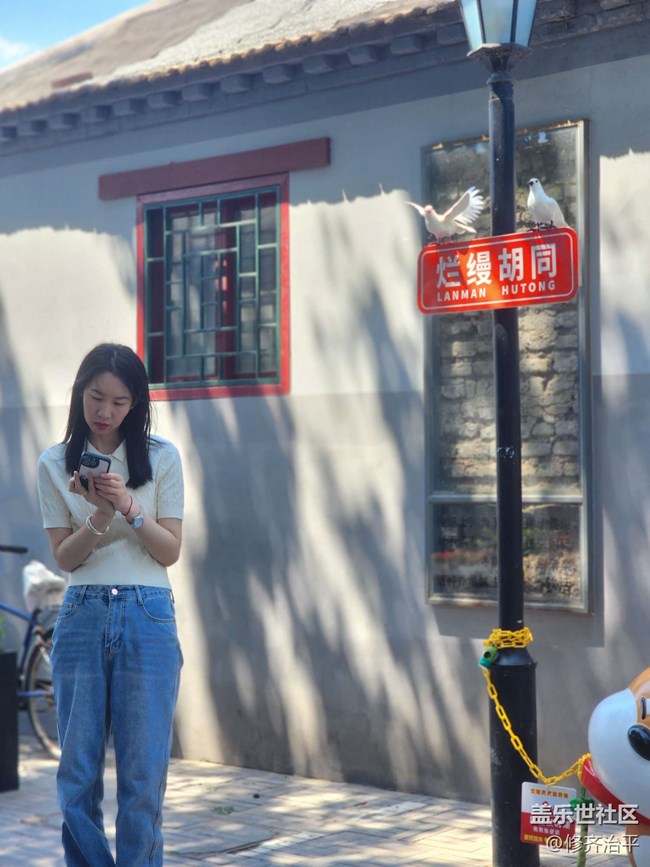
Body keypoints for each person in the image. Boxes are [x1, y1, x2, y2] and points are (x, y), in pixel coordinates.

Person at [37, 343, 184, 867]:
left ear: (136, 404)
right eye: (96, 397)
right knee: (76, 776)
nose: (105, 411)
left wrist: (128, 506)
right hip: (83, 613)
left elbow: (170, 551)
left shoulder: (162, 457)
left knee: (143, 777)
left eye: (120, 402)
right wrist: (99, 515)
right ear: (79, 393)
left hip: (148, 612)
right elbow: (65, 558)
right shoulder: (54, 463)